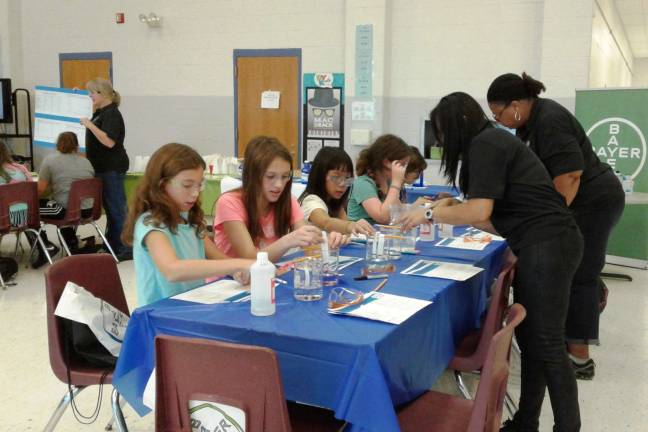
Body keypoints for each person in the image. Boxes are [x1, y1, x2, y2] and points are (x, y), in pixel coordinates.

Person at [399, 92, 583, 432]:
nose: (440, 140)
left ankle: (568, 426)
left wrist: (429, 212)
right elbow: (491, 219)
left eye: (442, 132)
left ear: (457, 125)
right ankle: (527, 421)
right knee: (531, 341)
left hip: (549, 244)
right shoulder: (490, 143)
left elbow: (481, 212)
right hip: (543, 242)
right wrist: (451, 207)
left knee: (546, 343)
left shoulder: (487, 143)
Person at [487, 72, 625, 379]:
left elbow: (570, 176)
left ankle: (579, 359)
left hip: (594, 201)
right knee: (570, 268)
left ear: (517, 104)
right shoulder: (528, 126)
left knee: (581, 274)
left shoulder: (550, 120)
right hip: (579, 201)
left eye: (499, 113)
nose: (498, 120)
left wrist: (551, 221)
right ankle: (572, 326)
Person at [122, 143, 253, 307]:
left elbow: (216, 257)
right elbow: (172, 270)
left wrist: (235, 271)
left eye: (199, 185)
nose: (195, 193)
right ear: (162, 185)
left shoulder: (189, 220)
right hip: (161, 317)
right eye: (187, 185)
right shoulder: (150, 225)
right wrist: (239, 264)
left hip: (191, 306)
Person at [213, 136, 326, 262]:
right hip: (229, 280)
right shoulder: (229, 202)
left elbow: (309, 244)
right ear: (252, 174)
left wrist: (326, 242)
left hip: (267, 275)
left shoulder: (287, 201)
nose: (279, 185)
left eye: (285, 176)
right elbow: (250, 258)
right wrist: (289, 240)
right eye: (270, 176)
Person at [81, 78, 131, 261]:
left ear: (102, 94)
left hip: (112, 166)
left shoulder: (112, 114)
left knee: (117, 208)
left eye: (92, 93)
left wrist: (89, 125)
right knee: (110, 208)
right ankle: (112, 243)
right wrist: (75, 96)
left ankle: (126, 247)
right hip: (102, 167)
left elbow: (109, 141)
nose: (90, 96)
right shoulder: (100, 112)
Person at [29, 132, 95, 268]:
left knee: (29, 209)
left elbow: (40, 190)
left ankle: (45, 248)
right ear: (77, 146)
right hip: (89, 210)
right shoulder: (86, 161)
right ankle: (71, 243)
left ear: (58, 145)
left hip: (66, 212)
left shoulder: (50, 160)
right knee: (58, 204)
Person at [298, 147, 374, 236]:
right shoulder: (311, 201)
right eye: (336, 177)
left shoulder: (335, 203)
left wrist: (356, 226)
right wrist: (350, 225)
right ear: (320, 176)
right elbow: (326, 223)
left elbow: (346, 233)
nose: (342, 184)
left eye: (347, 178)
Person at [346, 134, 410, 225]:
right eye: (402, 164)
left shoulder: (387, 182)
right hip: (361, 237)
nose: (404, 169)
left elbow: (398, 213)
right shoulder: (362, 183)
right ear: (386, 162)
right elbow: (383, 217)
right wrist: (396, 183)